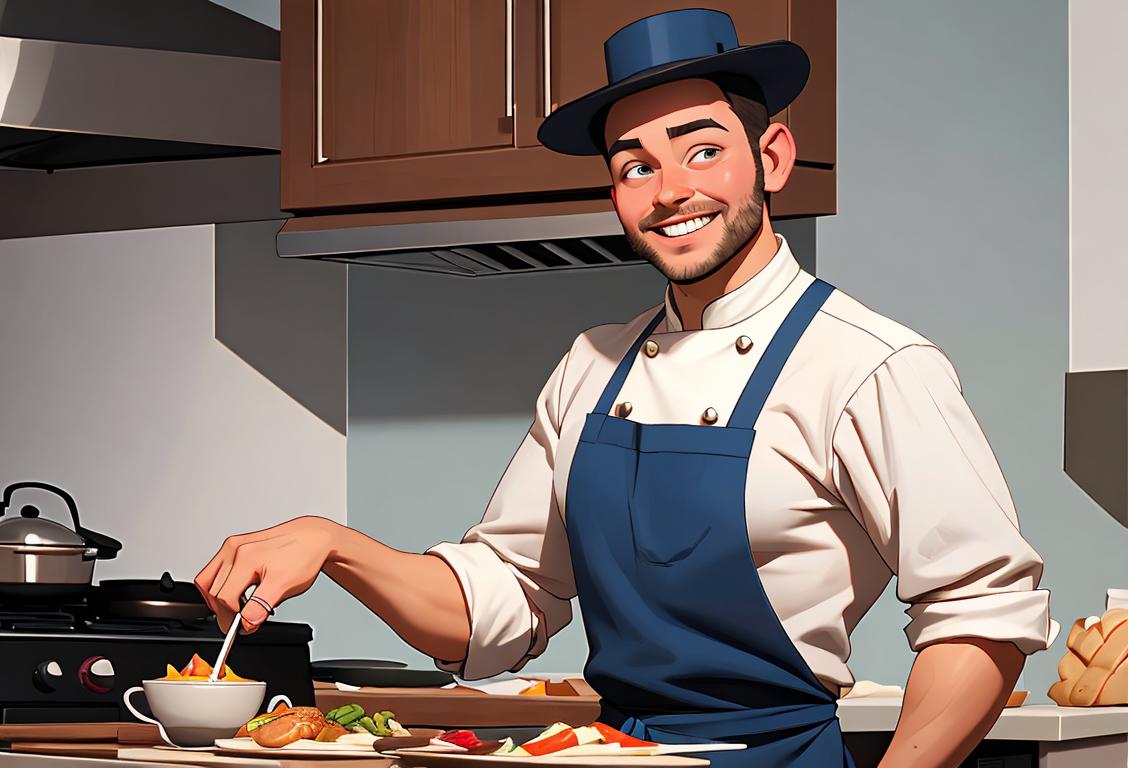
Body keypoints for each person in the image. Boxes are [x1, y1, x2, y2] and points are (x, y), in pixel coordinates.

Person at [196, 9, 1056, 767]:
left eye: (704, 150)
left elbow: (982, 612)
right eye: (634, 164)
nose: (670, 189)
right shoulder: (593, 365)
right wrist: (334, 544)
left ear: (773, 158)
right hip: (606, 756)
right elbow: (502, 601)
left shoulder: (869, 365)